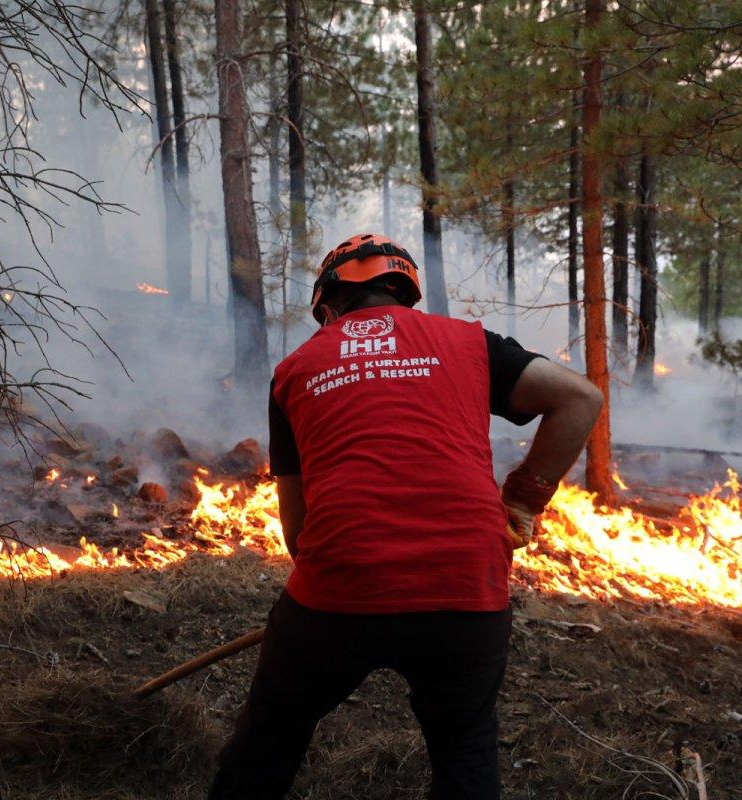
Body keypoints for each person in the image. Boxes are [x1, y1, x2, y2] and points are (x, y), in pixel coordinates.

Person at [208, 233, 603, 799]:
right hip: (466, 589)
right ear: (405, 289)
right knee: (464, 748)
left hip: (339, 591)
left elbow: (297, 531)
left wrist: (345, 597)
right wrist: (521, 500)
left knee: (271, 736)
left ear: (328, 302)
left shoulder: (296, 368)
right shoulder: (468, 343)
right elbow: (580, 399)